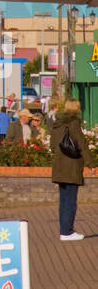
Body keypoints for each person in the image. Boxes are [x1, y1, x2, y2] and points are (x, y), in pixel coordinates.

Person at [50, 99, 97, 242]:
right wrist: (91, 164)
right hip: (71, 166)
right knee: (70, 200)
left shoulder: (57, 123)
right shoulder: (73, 123)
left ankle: (64, 230)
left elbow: (52, 145)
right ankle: (67, 232)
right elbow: (81, 143)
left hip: (59, 166)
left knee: (63, 200)